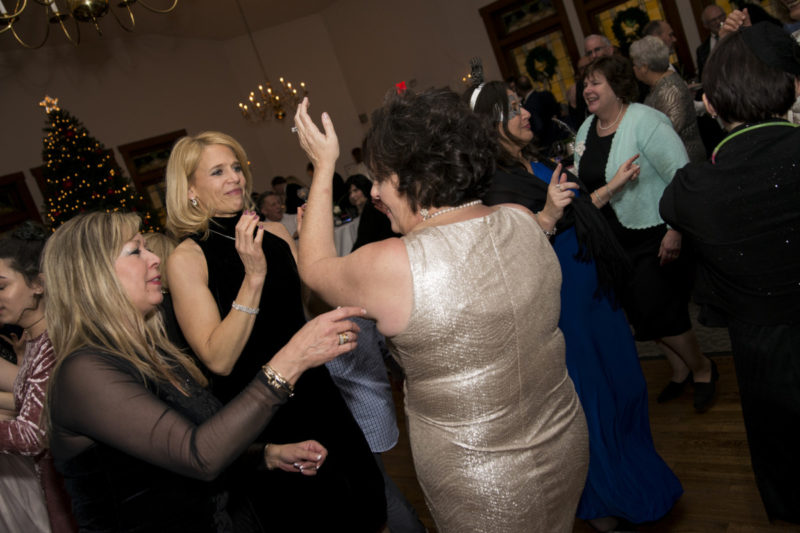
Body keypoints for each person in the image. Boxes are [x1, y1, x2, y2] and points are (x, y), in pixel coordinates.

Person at [293, 90, 589, 532]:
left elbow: (314, 267)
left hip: (478, 477)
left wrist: (323, 166)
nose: (373, 192)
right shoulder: (521, 219)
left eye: (380, 177)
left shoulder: (395, 264)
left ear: (412, 177)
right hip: (565, 438)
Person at [44, 211, 366, 532]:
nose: (155, 258)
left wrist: (265, 454)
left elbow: (184, 446)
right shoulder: (82, 373)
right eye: (135, 251)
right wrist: (292, 359)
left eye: (147, 247)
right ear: (92, 276)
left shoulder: (153, 350)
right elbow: (198, 457)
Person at [470, 78, 682, 531]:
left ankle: (639, 479)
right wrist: (546, 217)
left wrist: (612, 186)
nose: (526, 112)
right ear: (491, 126)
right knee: (593, 399)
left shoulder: (538, 159)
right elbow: (508, 253)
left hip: (595, 289)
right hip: (559, 300)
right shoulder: (492, 186)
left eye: (521, 105)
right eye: (512, 109)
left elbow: (577, 209)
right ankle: (604, 499)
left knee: (627, 384)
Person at [164, 132, 386, 532]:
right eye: (218, 171)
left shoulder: (276, 233)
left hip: (320, 393)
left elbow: (312, 311)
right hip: (262, 416)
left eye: (236, 167)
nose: (235, 177)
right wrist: (254, 277)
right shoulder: (187, 258)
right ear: (190, 189)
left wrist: (312, 254)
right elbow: (219, 358)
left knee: (365, 506)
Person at [660, 23, 800, 524]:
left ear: (712, 109)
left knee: (788, 454)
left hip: (762, 351)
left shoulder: (693, 187)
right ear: (791, 88)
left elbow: (671, 206)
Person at [574, 55, 718, 412]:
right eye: (585, 83)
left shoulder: (646, 121)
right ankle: (679, 369)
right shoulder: (586, 129)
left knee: (661, 312)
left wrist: (675, 230)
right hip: (611, 242)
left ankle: (703, 368)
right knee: (641, 315)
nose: (587, 90)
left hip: (654, 235)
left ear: (616, 87)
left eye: (595, 83)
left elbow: (682, 178)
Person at [0, 222, 74, 533]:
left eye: (1, 286)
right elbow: (30, 396)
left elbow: (33, 435)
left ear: (38, 285)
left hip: (71, 492)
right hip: (55, 487)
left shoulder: (53, 343)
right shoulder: (33, 340)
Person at [630, 36, 706, 162]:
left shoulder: (670, 89)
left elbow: (667, 132)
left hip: (685, 161)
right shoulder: (659, 85)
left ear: (644, 67)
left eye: (634, 64)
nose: (633, 68)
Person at [345, 174, 397, 252]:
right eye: (350, 193)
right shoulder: (371, 206)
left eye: (355, 190)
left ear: (364, 188)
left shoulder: (372, 208)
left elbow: (363, 241)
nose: (352, 196)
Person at [696, 4, 726, 79]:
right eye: (713, 20)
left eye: (720, 17)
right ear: (706, 25)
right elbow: (702, 78)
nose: (718, 21)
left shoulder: (738, 36)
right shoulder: (701, 51)